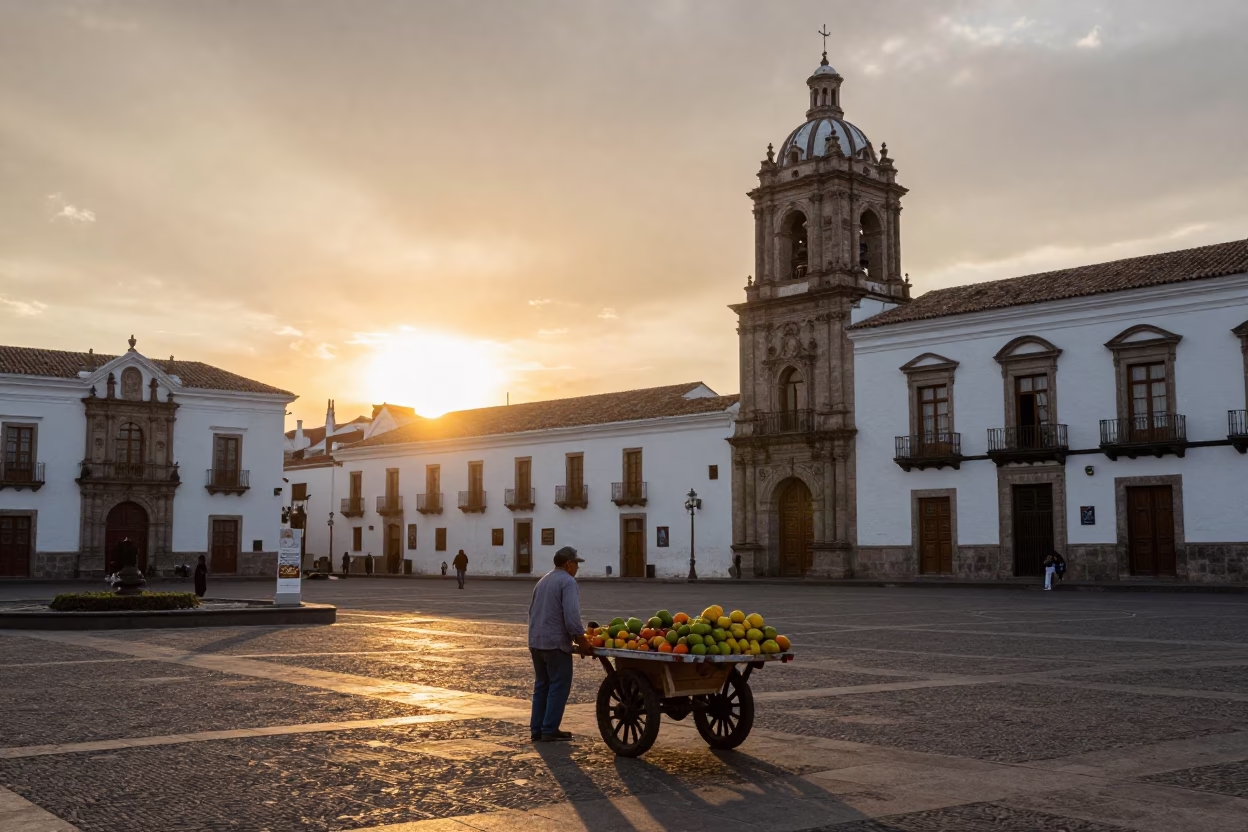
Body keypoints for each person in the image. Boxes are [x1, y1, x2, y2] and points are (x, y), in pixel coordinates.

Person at [528, 546, 592, 742]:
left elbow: (532, 611)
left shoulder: (543, 580)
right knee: (559, 684)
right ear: (568, 564)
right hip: (555, 643)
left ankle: (537, 728)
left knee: (542, 685)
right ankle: (549, 728)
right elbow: (571, 616)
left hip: (536, 641)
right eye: (576, 564)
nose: (577, 568)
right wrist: (581, 640)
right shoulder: (567, 581)